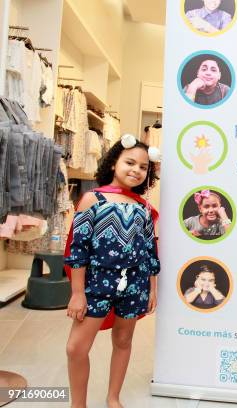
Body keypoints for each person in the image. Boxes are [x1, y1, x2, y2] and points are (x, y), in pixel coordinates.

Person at [64, 134, 161, 408]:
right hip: (96, 284)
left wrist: (152, 288)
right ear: (113, 163)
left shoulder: (143, 208)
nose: (136, 170)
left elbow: (149, 252)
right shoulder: (91, 200)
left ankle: (113, 396)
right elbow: (78, 250)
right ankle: (77, 404)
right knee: (76, 347)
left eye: (143, 167)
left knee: (123, 339)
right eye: (130, 162)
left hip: (134, 285)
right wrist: (77, 293)